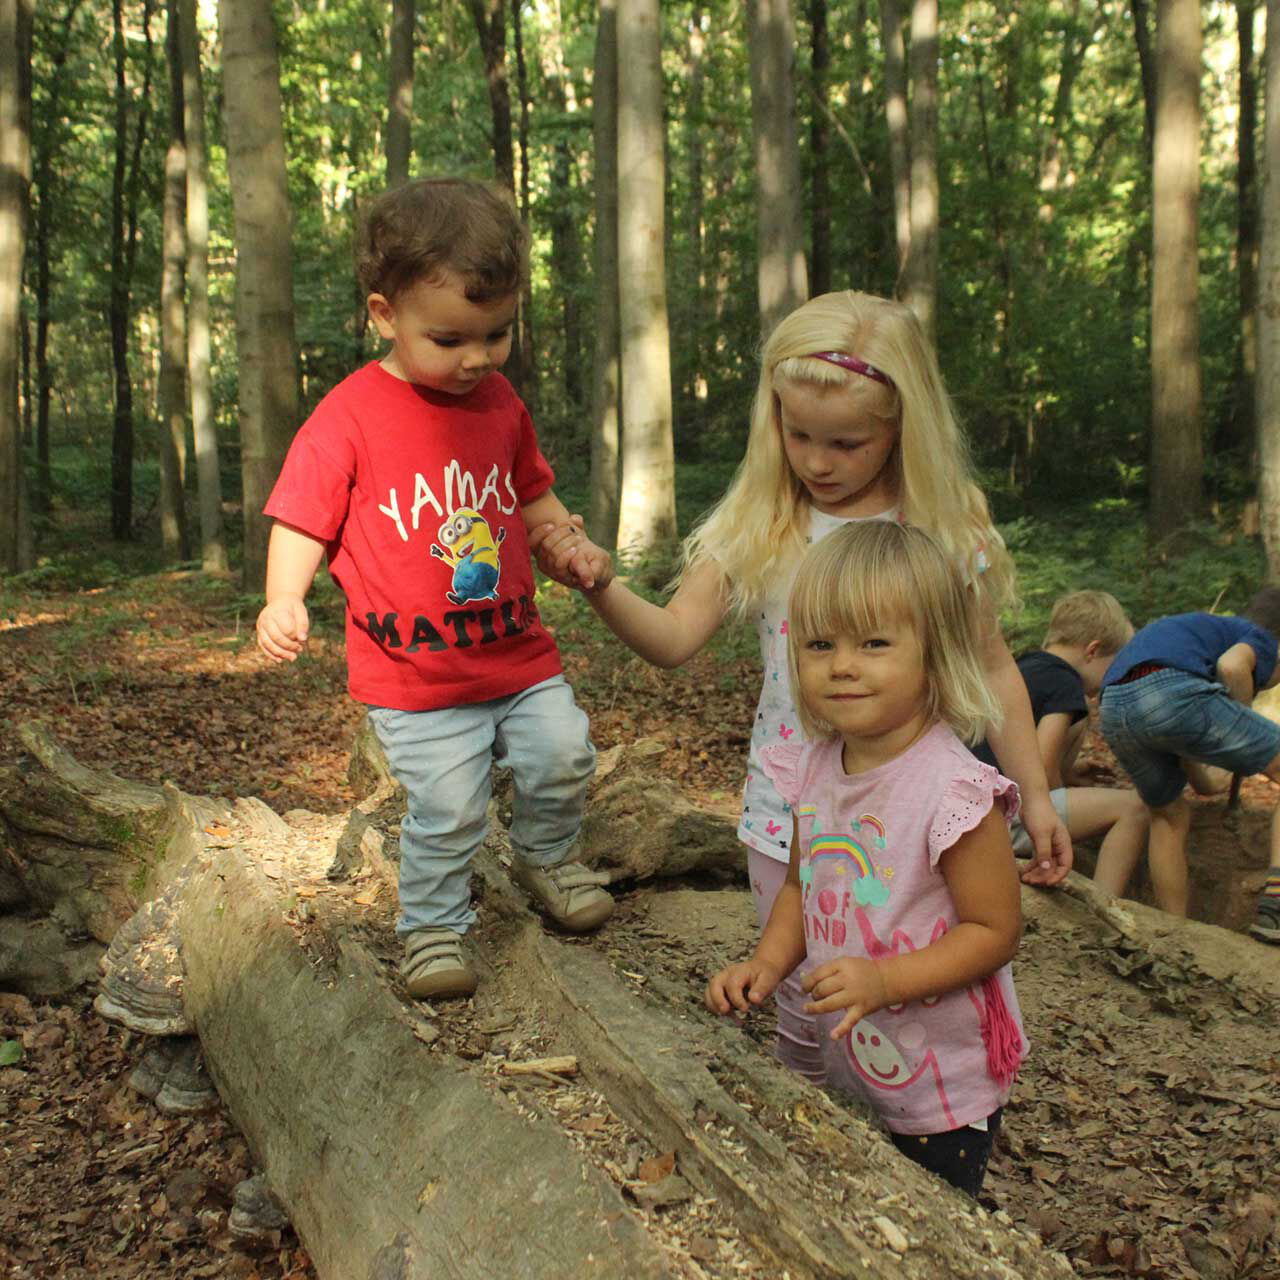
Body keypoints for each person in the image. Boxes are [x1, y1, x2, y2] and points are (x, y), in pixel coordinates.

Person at [533, 289, 1067, 1086]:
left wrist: (1039, 795)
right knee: (803, 980)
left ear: (901, 426)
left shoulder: (945, 532)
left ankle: (937, 1125)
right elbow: (676, 639)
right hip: (790, 811)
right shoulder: (765, 522)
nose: (817, 461)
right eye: (798, 434)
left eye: (847, 442)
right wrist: (599, 585)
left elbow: (995, 669)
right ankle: (817, 1133)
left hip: (921, 813)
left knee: (920, 972)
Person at [255, 177, 614, 1001]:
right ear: (384, 314)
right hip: (416, 677)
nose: (478, 357)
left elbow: (531, 494)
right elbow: (303, 519)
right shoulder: (349, 415)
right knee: (447, 807)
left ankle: (548, 858)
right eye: (450, 338)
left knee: (563, 754)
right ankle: (433, 928)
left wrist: (566, 541)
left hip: (518, 654)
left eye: (496, 335)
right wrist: (285, 598)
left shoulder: (498, 402)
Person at [705, 521, 1025, 1198]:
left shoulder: (954, 790)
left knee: (930, 1215)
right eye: (821, 644)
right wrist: (765, 964)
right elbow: (799, 883)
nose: (842, 664)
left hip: (942, 1079)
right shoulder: (814, 766)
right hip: (856, 1052)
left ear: (933, 654)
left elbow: (995, 932)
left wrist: (885, 981)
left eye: (874, 643)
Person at [1098, 588, 1280, 934]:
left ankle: (1176, 934)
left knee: (1169, 814)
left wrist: (1230, 759)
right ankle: (1278, 904)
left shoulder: (1191, 643)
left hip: (1114, 705)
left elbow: (1204, 783)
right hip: (1171, 693)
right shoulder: (1261, 637)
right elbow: (1234, 666)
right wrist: (1242, 722)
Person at [971, 590, 1150, 898]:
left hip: (970, 805)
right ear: (1092, 651)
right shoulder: (1065, 682)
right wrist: (1060, 784)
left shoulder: (1020, 667)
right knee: (1136, 807)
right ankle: (1106, 903)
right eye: (1115, 665)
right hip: (1001, 817)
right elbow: (1038, 767)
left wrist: (1069, 777)